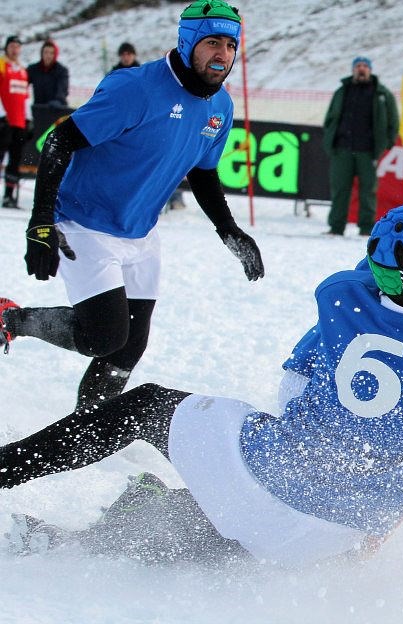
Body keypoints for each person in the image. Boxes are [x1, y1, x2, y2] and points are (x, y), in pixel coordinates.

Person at [0, 202, 403, 565]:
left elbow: (358, 299)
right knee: (249, 498)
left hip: (275, 479)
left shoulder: (340, 298)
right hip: (332, 542)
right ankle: (148, 526)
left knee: (145, 409)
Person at [0, 0, 264, 412]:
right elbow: (59, 141)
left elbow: (203, 172)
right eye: (212, 42)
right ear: (188, 41)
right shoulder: (135, 88)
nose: (223, 55)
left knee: (128, 347)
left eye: (231, 45)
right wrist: (41, 224)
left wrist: (229, 230)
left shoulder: (221, 107)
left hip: (140, 232)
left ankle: (85, 429)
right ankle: (11, 320)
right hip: (82, 223)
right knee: (102, 336)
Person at [322, 55, 399, 236]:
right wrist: (329, 141)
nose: (361, 69)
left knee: (368, 191)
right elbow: (330, 118)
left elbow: (393, 121)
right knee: (340, 189)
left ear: (370, 70)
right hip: (342, 149)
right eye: (358, 66)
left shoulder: (381, 94)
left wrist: (385, 144)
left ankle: (366, 228)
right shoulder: (342, 91)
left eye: (365, 66)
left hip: (368, 151)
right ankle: (336, 227)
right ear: (353, 70)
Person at [0, 35, 29, 209]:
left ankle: (9, 196)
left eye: (17, 46)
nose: (15, 49)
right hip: (4, 120)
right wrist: (2, 115)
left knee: (15, 160)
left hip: (19, 122)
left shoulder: (23, 70)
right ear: (6, 48)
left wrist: (28, 119)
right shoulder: (2, 66)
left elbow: (25, 97)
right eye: (12, 46)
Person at [26, 39, 70, 108]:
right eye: (46, 52)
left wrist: (58, 100)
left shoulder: (61, 71)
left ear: (55, 54)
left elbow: (63, 88)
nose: (48, 56)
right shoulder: (33, 69)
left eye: (51, 53)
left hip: (58, 108)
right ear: (42, 53)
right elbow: (22, 82)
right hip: (39, 108)